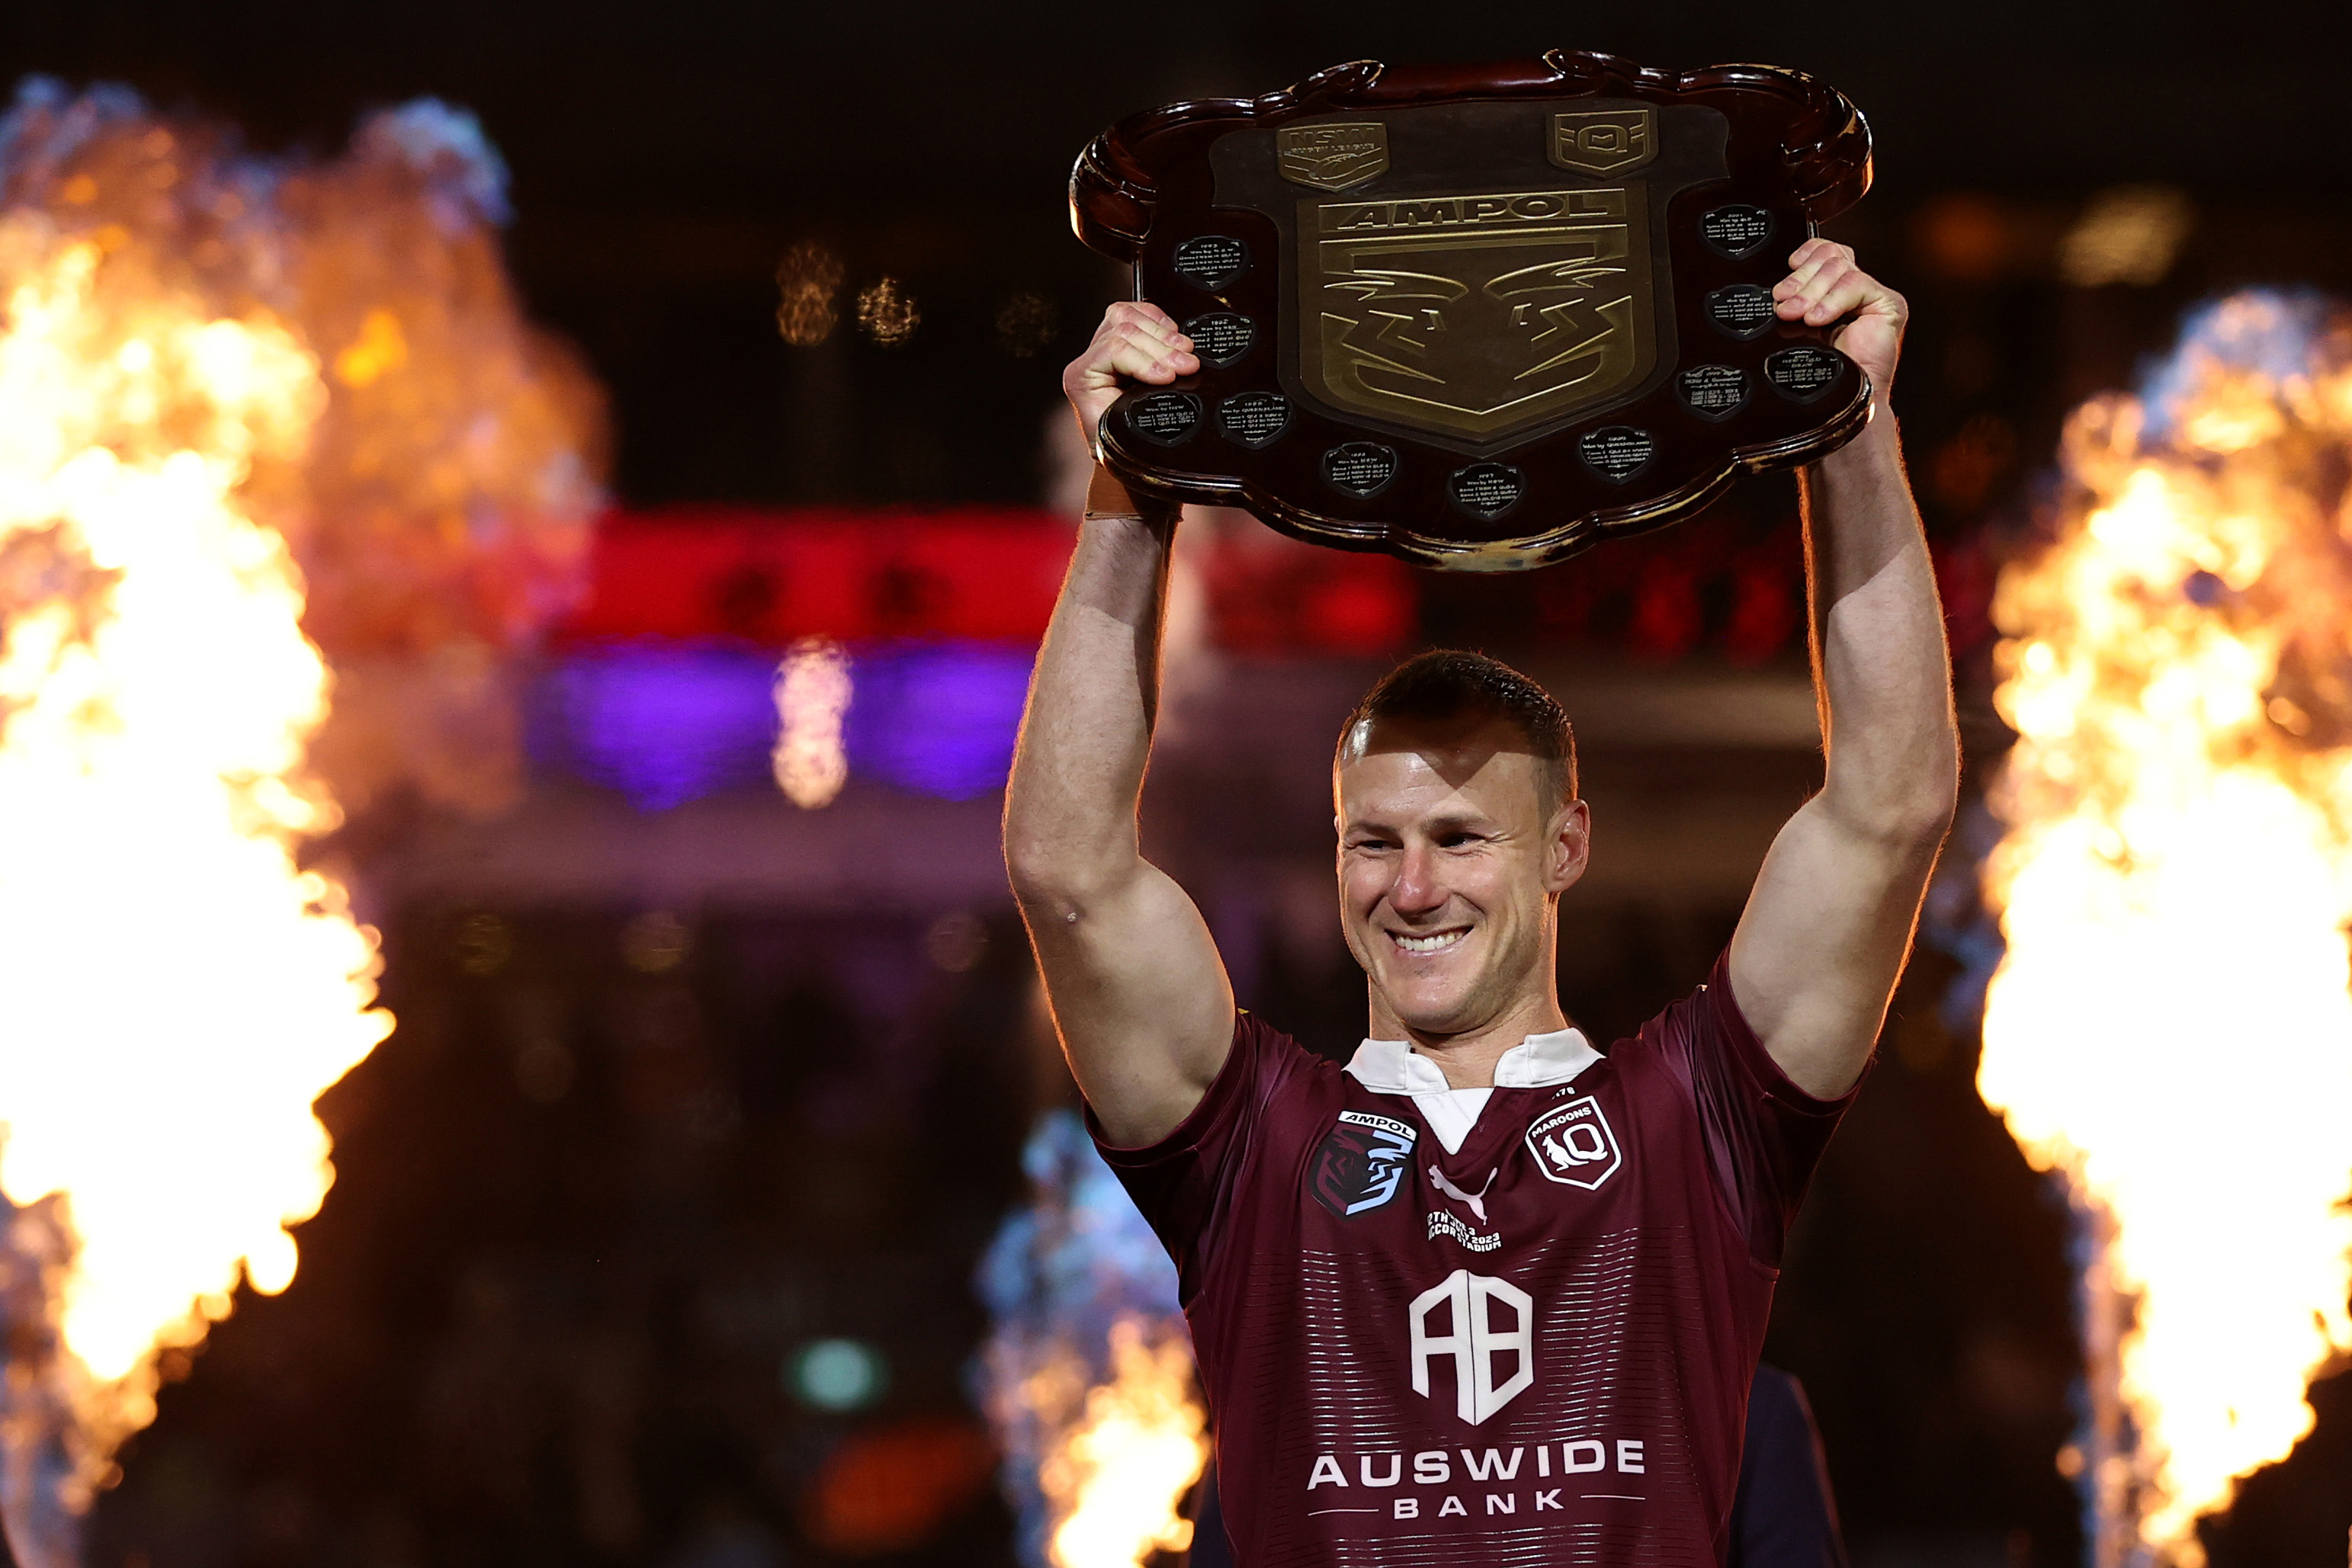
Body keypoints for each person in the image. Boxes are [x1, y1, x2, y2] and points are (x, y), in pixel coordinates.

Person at [1003, 239, 1955, 1566]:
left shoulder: (1693, 1124)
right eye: (1372, 842)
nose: (1411, 886)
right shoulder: (1256, 1148)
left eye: (1460, 838)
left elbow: (1888, 809)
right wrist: (1131, 487)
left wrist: (1848, 427)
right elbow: (1069, 874)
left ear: (1565, 845)